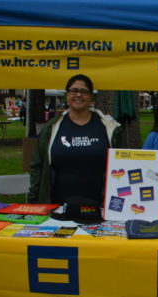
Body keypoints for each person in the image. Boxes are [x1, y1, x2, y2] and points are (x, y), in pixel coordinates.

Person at [28, 74, 121, 204]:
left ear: (90, 97)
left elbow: (122, 167)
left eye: (84, 91)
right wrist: (33, 201)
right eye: (73, 90)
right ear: (67, 95)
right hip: (58, 207)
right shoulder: (52, 128)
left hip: (100, 207)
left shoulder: (109, 127)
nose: (78, 94)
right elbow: (37, 167)